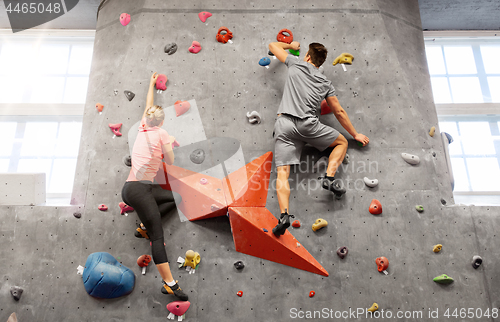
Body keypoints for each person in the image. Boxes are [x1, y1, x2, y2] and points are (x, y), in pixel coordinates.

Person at [268, 41, 370, 236]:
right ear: (321, 63)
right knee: (342, 142)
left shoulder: (295, 63)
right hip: (308, 125)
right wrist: (355, 134)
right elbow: (338, 111)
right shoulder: (325, 83)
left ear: (307, 56)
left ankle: (284, 215)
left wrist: (290, 44)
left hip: (285, 125)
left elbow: (273, 46)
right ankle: (329, 177)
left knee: (283, 173)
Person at [121, 72, 188, 301]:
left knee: (175, 198)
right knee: (157, 237)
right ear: (161, 122)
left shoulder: (142, 126)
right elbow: (169, 161)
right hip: (139, 190)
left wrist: (150, 83)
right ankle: (170, 283)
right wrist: (168, 143)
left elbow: (148, 104)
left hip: (136, 188)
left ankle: (142, 227)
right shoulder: (162, 133)